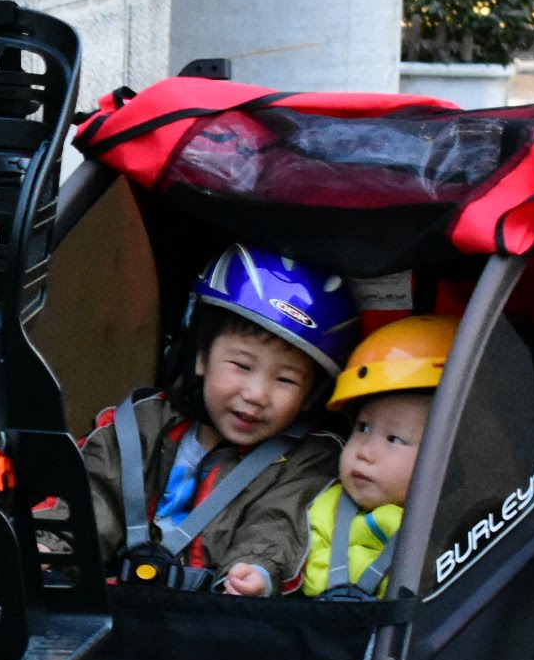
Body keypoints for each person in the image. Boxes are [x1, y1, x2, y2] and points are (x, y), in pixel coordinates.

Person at [83, 245, 356, 596]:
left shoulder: (309, 458)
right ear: (200, 357)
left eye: (285, 380)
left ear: (312, 394)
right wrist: (53, 544)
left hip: (217, 621)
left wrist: (255, 572)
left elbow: (279, 523)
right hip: (112, 606)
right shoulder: (140, 425)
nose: (257, 394)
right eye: (241, 366)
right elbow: (92, 492)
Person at [299, 314, 455, 599]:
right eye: (363, 428)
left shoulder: (452, 524)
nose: (365, 451)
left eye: (394, 439)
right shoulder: (322, 505)